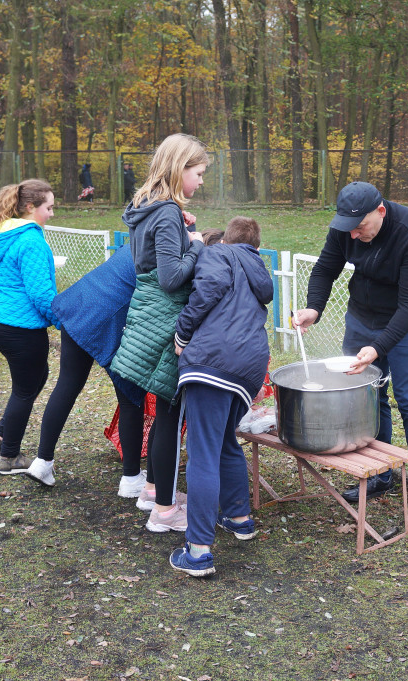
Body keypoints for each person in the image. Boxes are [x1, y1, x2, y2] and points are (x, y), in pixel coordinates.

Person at [293, 181, 408, 531]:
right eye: (349, 228)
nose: (354, 236)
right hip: (360, 317)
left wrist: (379, 346)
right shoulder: (346, 226)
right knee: (369, 398)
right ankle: (381, 474)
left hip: (404, 325)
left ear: (381, 212)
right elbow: (326, 268)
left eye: (361, 227)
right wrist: (314, 308)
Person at [109, 133, 209, 534]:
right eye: (198, 173)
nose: (201, 182)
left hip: (147, 314)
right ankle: (165, 512)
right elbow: (170, 277)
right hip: (167, 320)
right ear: (179, 168)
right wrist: (198, 245)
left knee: (165, 409)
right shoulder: (167, 213)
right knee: (170, 411)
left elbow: (152, 259)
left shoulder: (145, 207)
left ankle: (153, 490)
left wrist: (187, 233)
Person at [168, 216, 273, 577]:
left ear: (227, 240)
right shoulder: (258, 269)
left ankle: (197, 551)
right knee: (227, 440)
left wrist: (181, 337)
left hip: (212, 361)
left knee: (202, 453)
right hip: (250, 365)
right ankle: (239, 518)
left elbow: (204, 294)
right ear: (256, 246)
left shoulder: (219, 255)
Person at [24, 245, 147, 495]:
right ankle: (132, 479)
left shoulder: (139, 233)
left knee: (67, 384)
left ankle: (42, 462)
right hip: (105, 319)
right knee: (130, 397)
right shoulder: (168, 249)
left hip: (79, 303)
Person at [0, 179, 59, 474]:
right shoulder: (31, 241)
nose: (51, 214)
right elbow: (42, 295)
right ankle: (9, 457)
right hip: (20, 329)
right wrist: (63, 321)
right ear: (30, 207)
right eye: (48, 208)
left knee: (37, 376)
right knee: (25, 390)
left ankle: (1, 437)